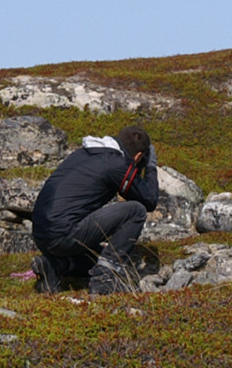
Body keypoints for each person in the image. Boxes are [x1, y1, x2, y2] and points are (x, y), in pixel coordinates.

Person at [31, 125, 159, 295]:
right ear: (138, 156)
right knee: (136, 211)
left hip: (41, 234)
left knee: (98, 257)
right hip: (63, 234)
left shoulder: (85, 152)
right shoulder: (117, 164)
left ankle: (54, 266)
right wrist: (150, 166)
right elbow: (149, 200)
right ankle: (104, 279)